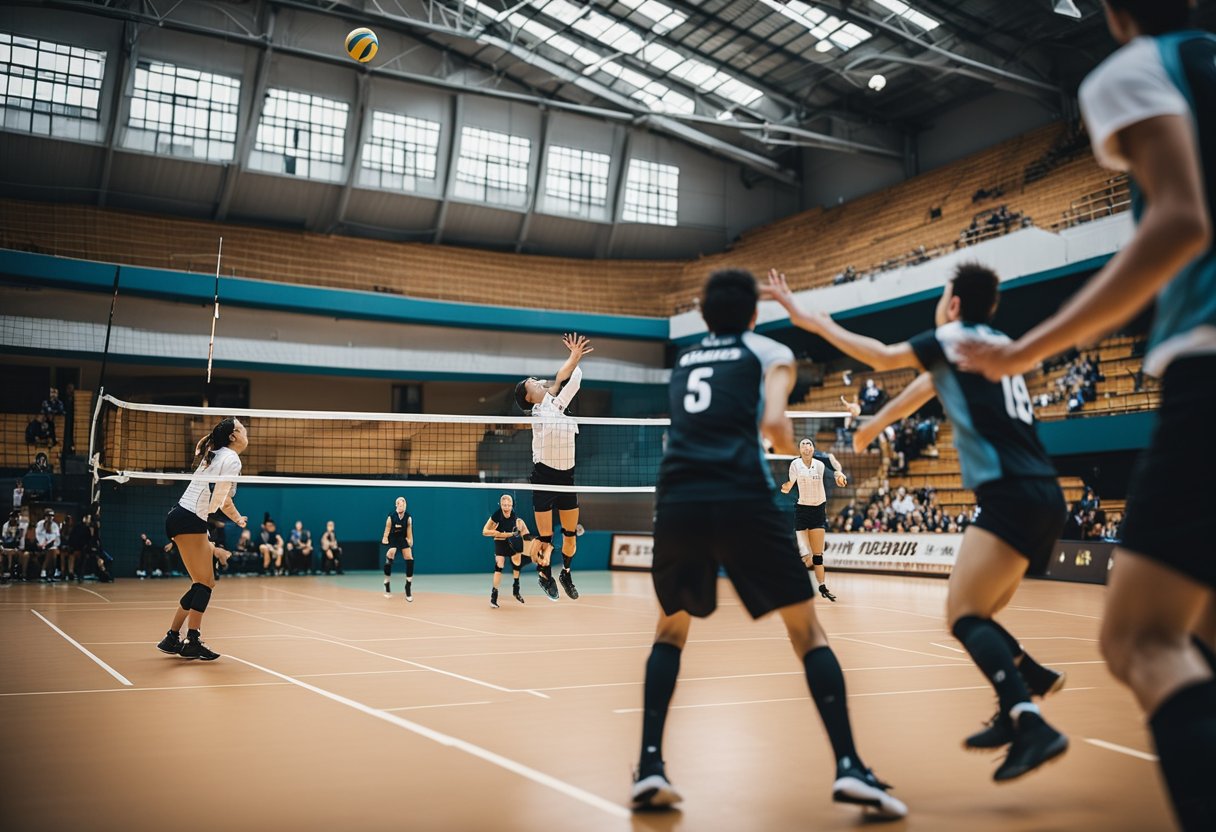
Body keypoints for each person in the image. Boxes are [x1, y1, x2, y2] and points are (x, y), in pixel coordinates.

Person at [955, 3, 1216, 825]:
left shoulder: (1138, 70)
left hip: (1203, 363)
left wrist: (1025, 350)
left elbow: (1180, 220)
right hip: (1040, 491)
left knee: (1141, 639)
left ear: (1112, 11)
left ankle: (1026, 710)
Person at [769, 263, 1069, 782]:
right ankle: (1025, 684)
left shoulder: (954, 335)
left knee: (964, 616)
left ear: (953, 304)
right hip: (1045, 495)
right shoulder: (994, 342)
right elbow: (927, 386)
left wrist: (810, 320)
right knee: (982, 614)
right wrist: (873, 426)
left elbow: (883, 357)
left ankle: (1028, 717)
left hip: (1011, 494)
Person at [632, 268, 906, 818]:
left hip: (680, 498)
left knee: (670, 629)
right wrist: (772, 434)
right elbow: (778, 427)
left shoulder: (684, 361)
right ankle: (850, 766)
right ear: (755, 315)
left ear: (703, 315)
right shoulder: (769, 352)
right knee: (806, 631)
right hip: (739, 496)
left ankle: (650, 766)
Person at [157, 417, 248, 661]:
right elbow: (221, 499)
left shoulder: (217, 454)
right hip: (189, 518)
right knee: (205, 584)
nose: (245, 432)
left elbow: (217, 499)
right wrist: (236, 518)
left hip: (181, 516)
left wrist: (217, 542)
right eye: (241, 428)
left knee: (200, 582)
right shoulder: (230, 458)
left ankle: (172, 637)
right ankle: (192, 640)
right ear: (233, 436)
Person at [514, 332, 594, 601]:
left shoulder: (555, 403)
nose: (536, 381)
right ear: (528, 397)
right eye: (531, 383)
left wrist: (574, 359)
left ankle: (566, 573)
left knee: (570, 536)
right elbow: (563, 380)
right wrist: (571, 362)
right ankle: (544, 574)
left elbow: (569, 379)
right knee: (546, 539)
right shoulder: (541, 412)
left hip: (567, 478)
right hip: (544, 478)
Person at [780, 437, 845, 601]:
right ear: (800, 450)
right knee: (805, 556)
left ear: (813, 449)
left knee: (817, 556)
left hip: (818, 510)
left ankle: (822, 587)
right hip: (802, 511)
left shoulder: (820, 463)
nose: (806, 446)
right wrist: (787, 487)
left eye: (809, 444)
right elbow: (791, 481)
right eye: (803, 444)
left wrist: (839, 474)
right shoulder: (795, 464)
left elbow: (834, 463)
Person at [482, 493, 531, 608]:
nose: (506, 507)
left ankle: (516, 589)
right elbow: (484, 531)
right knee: (500, 564)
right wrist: (496, 533)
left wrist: (527, 539)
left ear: (512, 505)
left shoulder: (516, 519)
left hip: (512, 542)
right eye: (504, 505)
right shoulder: (496, 516)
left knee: (517, 561)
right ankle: (494, 596)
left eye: (509, 505)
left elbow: (524, 530)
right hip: (500, 541)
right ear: (501, 505)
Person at [382, 496, 414, 601]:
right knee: (392, 552)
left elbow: (409, 530)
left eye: (404, 504)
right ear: (396, 505)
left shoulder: (408, 517)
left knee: (409, 557)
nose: (402, 506)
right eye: (400, 504)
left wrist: (410, 539)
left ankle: (408, 585)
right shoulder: (391, 516)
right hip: (392, 537)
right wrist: (385, 538)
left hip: (402, 537)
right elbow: (387, 528)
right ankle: (386, 582)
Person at [1, 510, 28, 583]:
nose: (14, 519)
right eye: (12, 517)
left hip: (18, 547)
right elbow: (4, 539)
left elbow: (22, 538)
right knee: (9, 552)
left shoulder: (22, 526)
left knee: (21, 554)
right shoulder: (5, 526)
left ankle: (21, 574)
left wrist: (20, 548)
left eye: (16, 517)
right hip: (7, 546)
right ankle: (7, 572)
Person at [35, 509, 60, 583]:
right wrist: (42, 544)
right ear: (45, 516)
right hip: (40, 544)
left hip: (51, 545)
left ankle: (45, 571)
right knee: (52, 552)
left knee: (52, 551)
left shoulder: (55, 525)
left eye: (52, 516)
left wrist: (48, 544)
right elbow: (37, 535)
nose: (50, 517)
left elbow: (56, 538)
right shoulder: (40, 524)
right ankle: (50, 573)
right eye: (49, 516)